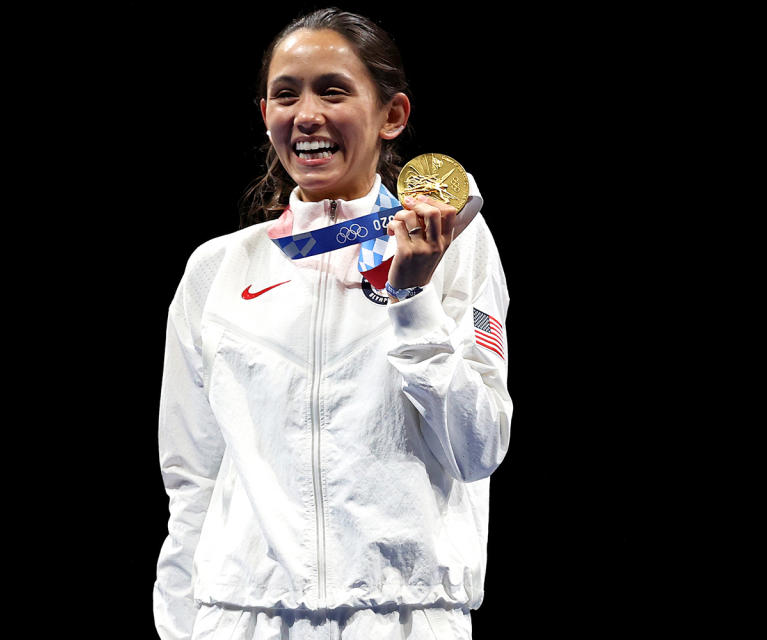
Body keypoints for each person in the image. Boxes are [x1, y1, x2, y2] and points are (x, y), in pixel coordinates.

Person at [153, 8, 513, 639]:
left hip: (404, 615)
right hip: (240, 619)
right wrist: (178, 626)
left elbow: (477, 447)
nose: (307, 114)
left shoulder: (456, 244)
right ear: (265, 114)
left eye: (333, 90)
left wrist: (412, 298)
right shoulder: (217, 268)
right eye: (285, 94)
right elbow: (193, 477)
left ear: (393, 116)